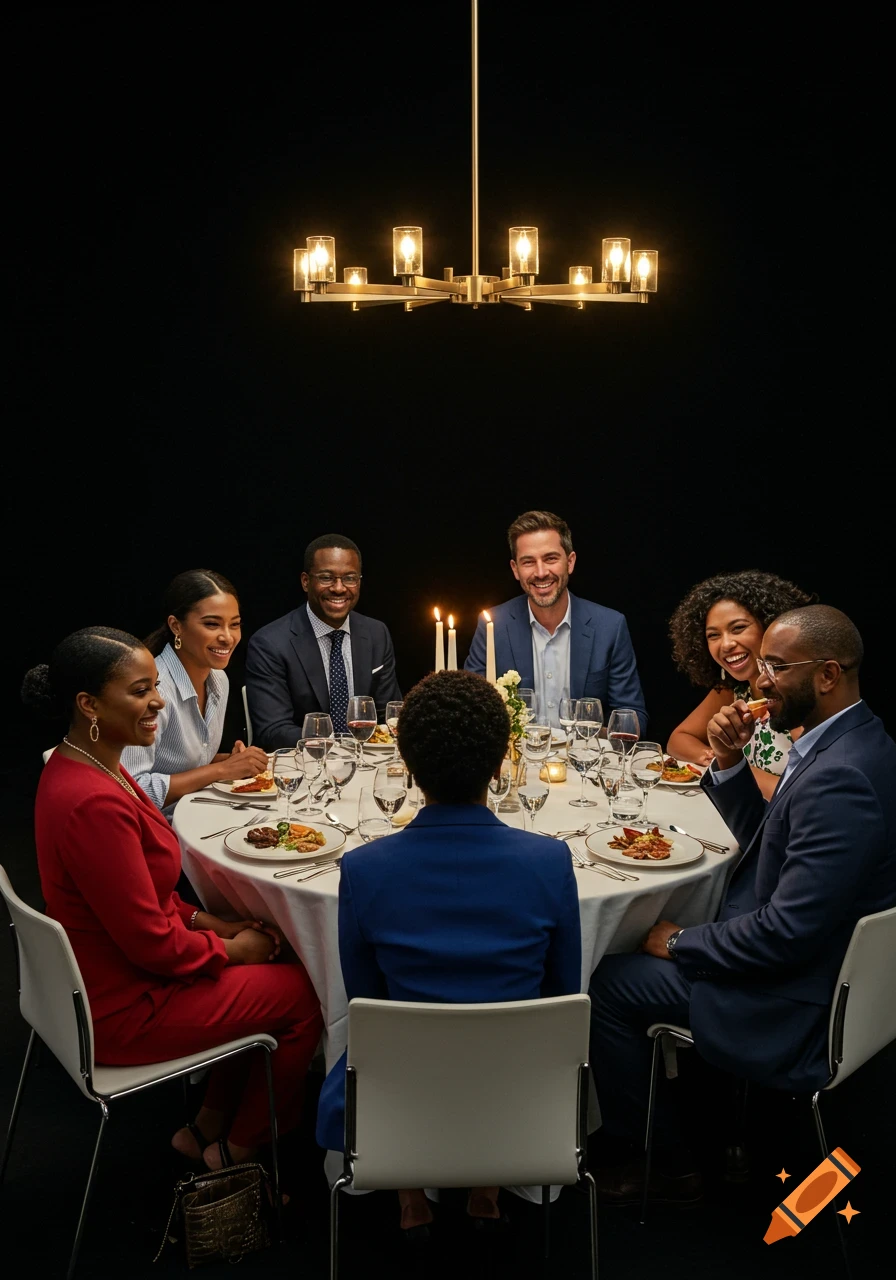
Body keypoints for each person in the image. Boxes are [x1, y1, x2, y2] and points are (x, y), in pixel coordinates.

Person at [589, 605, 896, 1205]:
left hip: (793, 998)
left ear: (828, 674)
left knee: (608, 983)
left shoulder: (842, 779)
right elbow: (771, 841)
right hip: (819, 964)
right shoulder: (855, 740)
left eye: (777, 667)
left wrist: (681, 941)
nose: (760, 680)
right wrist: (729, 762)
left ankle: (662, 1162)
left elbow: (785, 935)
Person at [22, 627, 323, 1172]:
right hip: (125, 1005)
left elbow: (147, 898)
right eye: (140, 691)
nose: (159, 701)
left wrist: (214, 923)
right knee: (303, 994)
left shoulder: (91, 764)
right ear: (89, 704)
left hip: (112, 975)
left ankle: (205, 1125)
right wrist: (233, 950)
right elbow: (152, 944)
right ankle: (239, 1151)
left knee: (267, 962)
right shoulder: (92, 801)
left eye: (156, 686)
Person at [315, 668, 582, 1234]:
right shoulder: (550, 861)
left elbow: (366, 1002)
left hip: (402, 1082)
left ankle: (410, 1196)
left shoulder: (363, 869)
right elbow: (562, 993)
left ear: (408, 767)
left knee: (380, 1039)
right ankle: (487, 1187)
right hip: (515, 1081)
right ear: (500, 763)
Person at [464, 510, 648, 731]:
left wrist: (589, 739)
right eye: (528, 562)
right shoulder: (493, 626)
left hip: (584, 752)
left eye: (550, 558)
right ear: (515, 569)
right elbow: (470, 709)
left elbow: (632, 716)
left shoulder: (610, 627)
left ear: (570, 562)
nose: (541, 572)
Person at [120, 569, 270, 816]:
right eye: (212, 624)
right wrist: (221, 770)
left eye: (234, 624)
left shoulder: (219, 679)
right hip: (157, 827)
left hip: (200, 813)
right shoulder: (153, 692)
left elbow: (189, 763)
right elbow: (132, 789)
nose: (228, 637)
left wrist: (232, 762)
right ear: (176, 626)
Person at [245, 534, 402, 750]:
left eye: (349, 578)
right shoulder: (270, 643)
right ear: (305, 582)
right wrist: (339, 746)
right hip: (303, 763)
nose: (339, 588)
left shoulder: (376, 633)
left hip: (367, 761)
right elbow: (273, 730)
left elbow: (390, 717)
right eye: (326, 578)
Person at [667, 570, 814, 799]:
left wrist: (732, 768)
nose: (726, 644)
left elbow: (806, 793)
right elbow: (678, 739)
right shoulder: (734, 691)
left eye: (738, 628)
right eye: (713, 635)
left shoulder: (795, 695)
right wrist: (715, 757)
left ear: (770, 626)